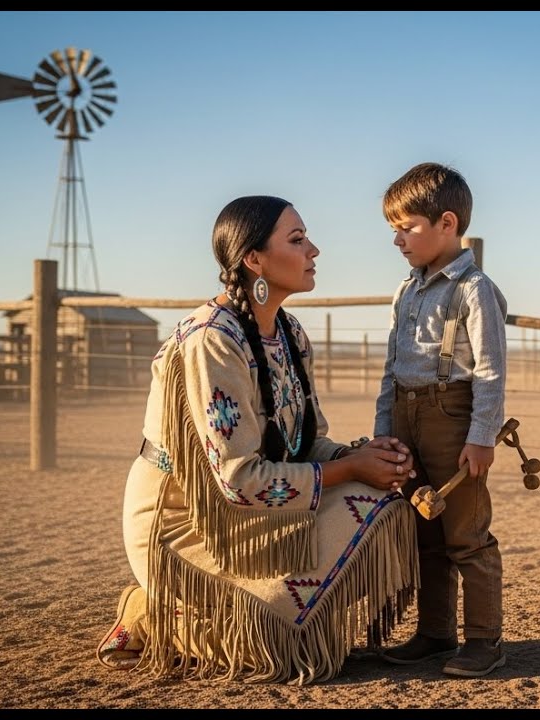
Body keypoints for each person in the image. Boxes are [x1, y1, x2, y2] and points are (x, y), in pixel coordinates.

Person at [95, 195, 421, 685]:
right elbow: (238, 479)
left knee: (378, 502)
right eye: (297, 239)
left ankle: (235, 611)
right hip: (186, 522)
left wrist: (364, 457)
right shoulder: (212, 341)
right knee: (282, 649)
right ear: (254, 259)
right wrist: (351, 468)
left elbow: (307, 443)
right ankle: (156, 614)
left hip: (246, 516)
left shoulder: (289, 333)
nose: (315, 250)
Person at [372, 162, 510, 678]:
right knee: (422, 531)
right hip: (407, 416)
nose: (398, 240)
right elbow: (391, 369)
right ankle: (435, 633)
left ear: (446, 224)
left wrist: (481, 437)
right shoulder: (405, 291)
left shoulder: (475, 290)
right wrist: (385, 432)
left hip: (454, 418)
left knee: (465, 535)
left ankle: (484, 640)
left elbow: (491, 372)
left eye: (407, 228)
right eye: (394, 230)